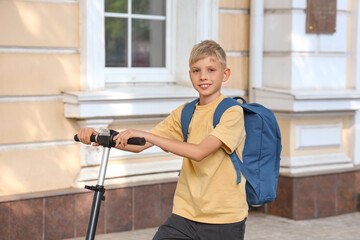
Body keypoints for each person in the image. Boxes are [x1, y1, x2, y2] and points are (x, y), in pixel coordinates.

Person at [77, 40, 248, 240]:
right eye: (196, 70)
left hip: (223, 218)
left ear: (225, 74)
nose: (203, 76)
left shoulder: (232, 112)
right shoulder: (186, 112)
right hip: (185, 215)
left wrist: (151, 136)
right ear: (190, 74)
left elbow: (199, 152)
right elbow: (143, 144)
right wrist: (103, 136)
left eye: (211, 70)